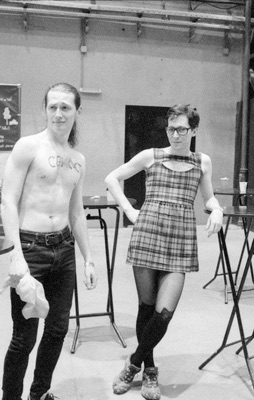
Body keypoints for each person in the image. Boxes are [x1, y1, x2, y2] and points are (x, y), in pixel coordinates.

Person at [105, 104, 223, 399]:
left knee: (164, 313)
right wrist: (130, 210)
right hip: (147, 236)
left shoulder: (202, 161)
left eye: (182, 129)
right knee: (146, 308)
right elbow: (112, 178)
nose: (175, 135)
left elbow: (208, 197)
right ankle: (150, 371)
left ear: (194, 130)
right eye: (171, 129)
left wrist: (217, 210)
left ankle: (133, 364)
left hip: (180, 241)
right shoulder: (151, 156)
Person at [1, 82, 98, 400]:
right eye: (52, 106)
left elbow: (77, 212)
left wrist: (88, 258)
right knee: (24, 337)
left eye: (65, 107)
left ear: (77, 111)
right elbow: (7, 201)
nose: (58, 113)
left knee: (57, 330)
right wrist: (15, 255)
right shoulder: (28, 147)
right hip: (30, 250)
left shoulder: (78, 159)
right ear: (45, 109)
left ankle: (39, 393)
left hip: (64, 251)